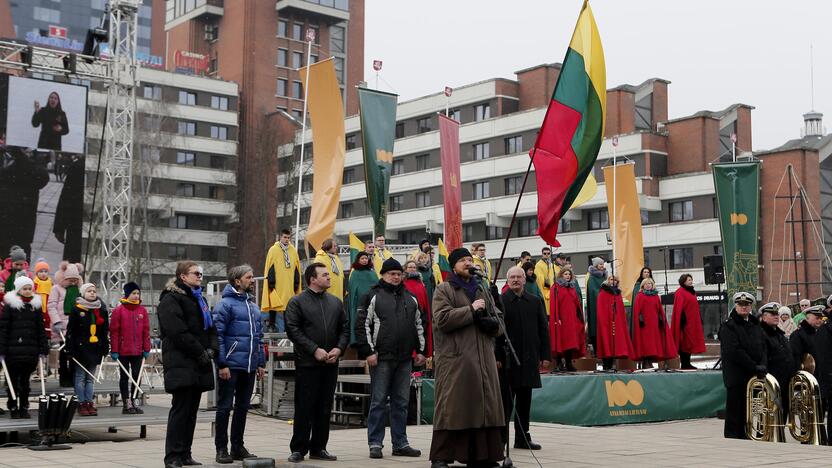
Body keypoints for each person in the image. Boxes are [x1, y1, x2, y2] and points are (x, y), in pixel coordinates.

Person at [429, 248, 504, 468]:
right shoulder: (444, 289)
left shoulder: (482, 288)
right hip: (457, 360)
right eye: (462, 260)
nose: (467, 263)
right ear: (453, 266)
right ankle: (441, 457)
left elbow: (499, 321)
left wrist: (494, 325)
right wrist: (470, 310)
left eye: (469, 259)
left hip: (484, 360)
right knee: (453, 408)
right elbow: (441, 319)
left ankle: (482, 456)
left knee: (484, 407)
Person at [355, 258, 425, 459]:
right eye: (391, 274)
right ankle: (375, 443)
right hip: (381, 358)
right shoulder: (372, 296)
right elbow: (361, 325)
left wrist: (421, 350)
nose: (395, 277)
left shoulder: (410, 298)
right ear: (383, 275)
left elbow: (419, 325)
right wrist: (368, 351)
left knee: (401, 402)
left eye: (398, 273)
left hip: (404, 359)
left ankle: (400, 443)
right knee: (378, 401)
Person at [285, 263, 349, 463]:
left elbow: (345, 329)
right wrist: (315, 350)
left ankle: (319, 447)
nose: (329, 278)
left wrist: (338, 349)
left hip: (330, 363)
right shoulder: (297, 302)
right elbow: (293, 330)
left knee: (324, 407)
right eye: (325, 275)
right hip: (307, 364)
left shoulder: (336, 302)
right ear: (312, 278)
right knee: (304, 407)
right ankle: (299, 448)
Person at [158, 261, 218, 468]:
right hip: (182, 361)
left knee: (191, 412)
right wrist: (199, 351)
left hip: (198, 362)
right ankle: (173, 456)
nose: (200, 276)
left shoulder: (198, 299)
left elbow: (210, 328)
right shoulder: (171, 298)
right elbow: (176, 331)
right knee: (180, 410)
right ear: (183, 277)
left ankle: (185, 453)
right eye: (196, 273)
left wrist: (211, 349)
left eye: (201, 273)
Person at [213, 265, 264, 463]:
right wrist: (222, 363)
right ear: (237, 281)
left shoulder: (253, 306)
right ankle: (221, 448)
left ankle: (237, 446)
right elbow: (218, 337)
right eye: (249, 277)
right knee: (225, 407)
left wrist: (260, 362)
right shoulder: (225, 305)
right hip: (231, 365)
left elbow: (259, 337)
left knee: (243, 407)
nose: (252, 280)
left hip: (249, 366)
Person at [498, 267, 551, 450]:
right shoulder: (501, 301)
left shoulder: (535, 301)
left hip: (529, 359)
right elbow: (495, 334)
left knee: (524, 402)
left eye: (518, 277)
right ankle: (500, 439)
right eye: (511, 277)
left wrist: (545, 355)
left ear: (524, 280)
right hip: (507, 361)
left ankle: (522, 438)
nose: (515, 280)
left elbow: (543, 329)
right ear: (507, 280)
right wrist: (497, 356)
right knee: (505, 402)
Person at [718, 291, 766, 439]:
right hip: (736, 375)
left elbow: (762, 346)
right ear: (736, 306)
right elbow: (734, 351)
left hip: (752, 374)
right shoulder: (729, 326)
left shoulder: (755, 324)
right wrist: (754, 366)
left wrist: (763, 364)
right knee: (735, 410)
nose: (744, 308)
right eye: (741, 305)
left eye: (747, 305)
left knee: (747, 410)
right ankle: (733, 438)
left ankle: (744, 435)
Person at [0, 276, 48, 418]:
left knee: (25, 382)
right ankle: (13, 406)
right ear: (19, 289)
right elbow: (4, 329)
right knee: (13, 382)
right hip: (12, 352)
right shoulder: (11, 306)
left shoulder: (36, 306)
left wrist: (43, 348)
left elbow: (41, 328)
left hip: (30, 351)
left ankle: (24, 406)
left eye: (29, 288)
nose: (28, 291)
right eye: (25, 289)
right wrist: (2, 350)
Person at [66, 283, 109, 417]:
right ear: (83, 293)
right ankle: (81, 402)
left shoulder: (101, 310)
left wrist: (104, 347)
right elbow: (71, 331)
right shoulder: (77, 309)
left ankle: (89, 402)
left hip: (94, 349)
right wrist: (70, 349)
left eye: (94, 291)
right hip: (80, 349)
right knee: (80, 377)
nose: (92, 293)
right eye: (89, 291)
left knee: (90, 378)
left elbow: (104, 331)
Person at [109, 282, 150, 415]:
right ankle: (126, 403)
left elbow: (146, 331)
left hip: (138, 351)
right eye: (133, 293)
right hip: (123, 351)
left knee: (137, 377)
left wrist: (146, 348)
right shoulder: (118, 311)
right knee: (125, 377)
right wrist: (114, 350)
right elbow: (114, 332)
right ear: (127, 294)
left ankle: (135, 401)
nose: (136, 296)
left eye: (138, 293)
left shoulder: (142, 311)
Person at [0, 150, 49, 257]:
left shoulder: (24, 166)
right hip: (18, 227)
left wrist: (21, 156)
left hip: (18, 227)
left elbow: (43, 177)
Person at [47, 261, 83, 387]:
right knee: (63, 353)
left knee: (75, 353)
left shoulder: (79, 290)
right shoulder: (56, 289)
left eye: (75, 280)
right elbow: (51, 306)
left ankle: (74, 377)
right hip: (61, 326)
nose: (72, 282)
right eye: (70, 280)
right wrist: (56, 322)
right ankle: (64, 377)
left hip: (76, 327)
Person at [261, 229, 302, 332]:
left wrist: (296, 282)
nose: (287, 239)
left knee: (288, 305)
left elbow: (296, 267)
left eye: (288, 238)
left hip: (288, 282)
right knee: (274, 303)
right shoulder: (273, 250)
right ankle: (271, 324)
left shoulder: (293, 250)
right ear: (280, 237)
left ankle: (288, 327)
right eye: (285, 237)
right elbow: (270, 266)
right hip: (277, 282)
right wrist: (271, 282)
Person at [758, 302, 797, 410]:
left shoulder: (779, 334)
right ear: (764, 317)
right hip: (770, 383)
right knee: (770, 418)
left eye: (777, 314)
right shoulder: (761, 334)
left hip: (784, 382)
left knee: (781, 417)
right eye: (772, 314)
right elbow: (762, 358)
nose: (776, 316)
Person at [631, 278, 674, 367]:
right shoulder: (640, 296)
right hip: (644, 324)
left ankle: (650, 360)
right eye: (646, 284)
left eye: (650, 283)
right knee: (645, 343)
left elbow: (659, 309)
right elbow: (637, 310)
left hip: (654, 324)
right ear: (643, 285)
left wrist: (660, 319)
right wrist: (640, 319)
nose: (648, 285)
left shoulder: (655, 296)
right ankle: (645, 361)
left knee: (653, 343)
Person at [595, 275, 634, 370]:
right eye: (611, 279)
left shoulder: (617, 293)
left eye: (615, 280)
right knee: (606, 342)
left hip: (615, 322)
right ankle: (606, 365)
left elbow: (620, 310)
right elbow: (601, 309)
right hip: (606, 323)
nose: (613, 281)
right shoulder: (603, 292)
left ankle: (612, 364)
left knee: (614, 344)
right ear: (608, 281)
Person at [552, 268, 585, 371]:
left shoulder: (572, 288)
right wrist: (557, 318)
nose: (568, 276)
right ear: (561, 275)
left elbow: (576, 303)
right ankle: (558, 363)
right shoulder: (556, 287)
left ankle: (568, 362)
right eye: (565, 274)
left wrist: (579, 317)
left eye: (569, 274)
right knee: (560, 341)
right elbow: (554, 304)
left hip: (571, 320)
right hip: (562, 320)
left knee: (570, 342)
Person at [52, 154, 84, 262]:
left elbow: (66, 198)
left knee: (73, 266)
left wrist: (59, 227)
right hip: (79, 223)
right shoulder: (79, 166)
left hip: (76, 223)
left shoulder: (78, 166)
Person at [671, 274, 706, 369]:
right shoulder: (680, 292)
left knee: (690, 343)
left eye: (691, 279)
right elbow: (678, 307)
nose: (691, 281)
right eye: (689, 280)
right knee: (685, 343)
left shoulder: (692, 292)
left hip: (693, 322)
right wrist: (681, 319)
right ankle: (684, 363)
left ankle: (687, 363)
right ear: (684, 281)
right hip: (685, 322)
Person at [346, 251, 378, 346]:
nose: (365, 260)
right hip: (359, 303)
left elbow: (377, 286)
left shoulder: (372, 272)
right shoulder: (355, 273)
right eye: (362, 258)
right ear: (358, 260)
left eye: (366, 258)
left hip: (372, 301)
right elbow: (352, 288)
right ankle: (356, 340)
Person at [403, 260, 432, 357]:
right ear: (406, 269)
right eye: (410, 267)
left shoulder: (420, 282)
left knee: (421, 335)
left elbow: (424, 298)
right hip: (408, 314)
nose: (412, 269)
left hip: (421, 313)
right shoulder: (403, 283)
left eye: (414, 267)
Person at [789, 305, 823, 369]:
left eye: (821, 318)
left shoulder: (819, 333)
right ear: (807, 318)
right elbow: (795, 358)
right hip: (808, 374)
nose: (820, 321)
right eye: (817, 318)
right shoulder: (797, 335)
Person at [585, 257, 608, 350]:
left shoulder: (605, 276)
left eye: (602, 264)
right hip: (596, 306)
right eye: (600, 264)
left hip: (605, 305)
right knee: (596, 325)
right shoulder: (592, 278)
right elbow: (593, 291)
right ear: (596, 266)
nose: (602, 266)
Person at [534, 246, 556, 312]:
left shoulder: (551, 265)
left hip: (551, 291)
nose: (546, 255)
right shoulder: (538, 265)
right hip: (543, 290)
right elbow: (539, 278)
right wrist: (547, 282)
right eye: (545, 253)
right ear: (542, 254)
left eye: (548, 253)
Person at [32, 259, 52, 331]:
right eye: (41, 271)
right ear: (37, 273)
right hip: (38, 304)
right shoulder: (35, 282)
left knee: (47, 321)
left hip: (47, 305)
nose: (43, 274)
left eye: (45, 271)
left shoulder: (50, 283)